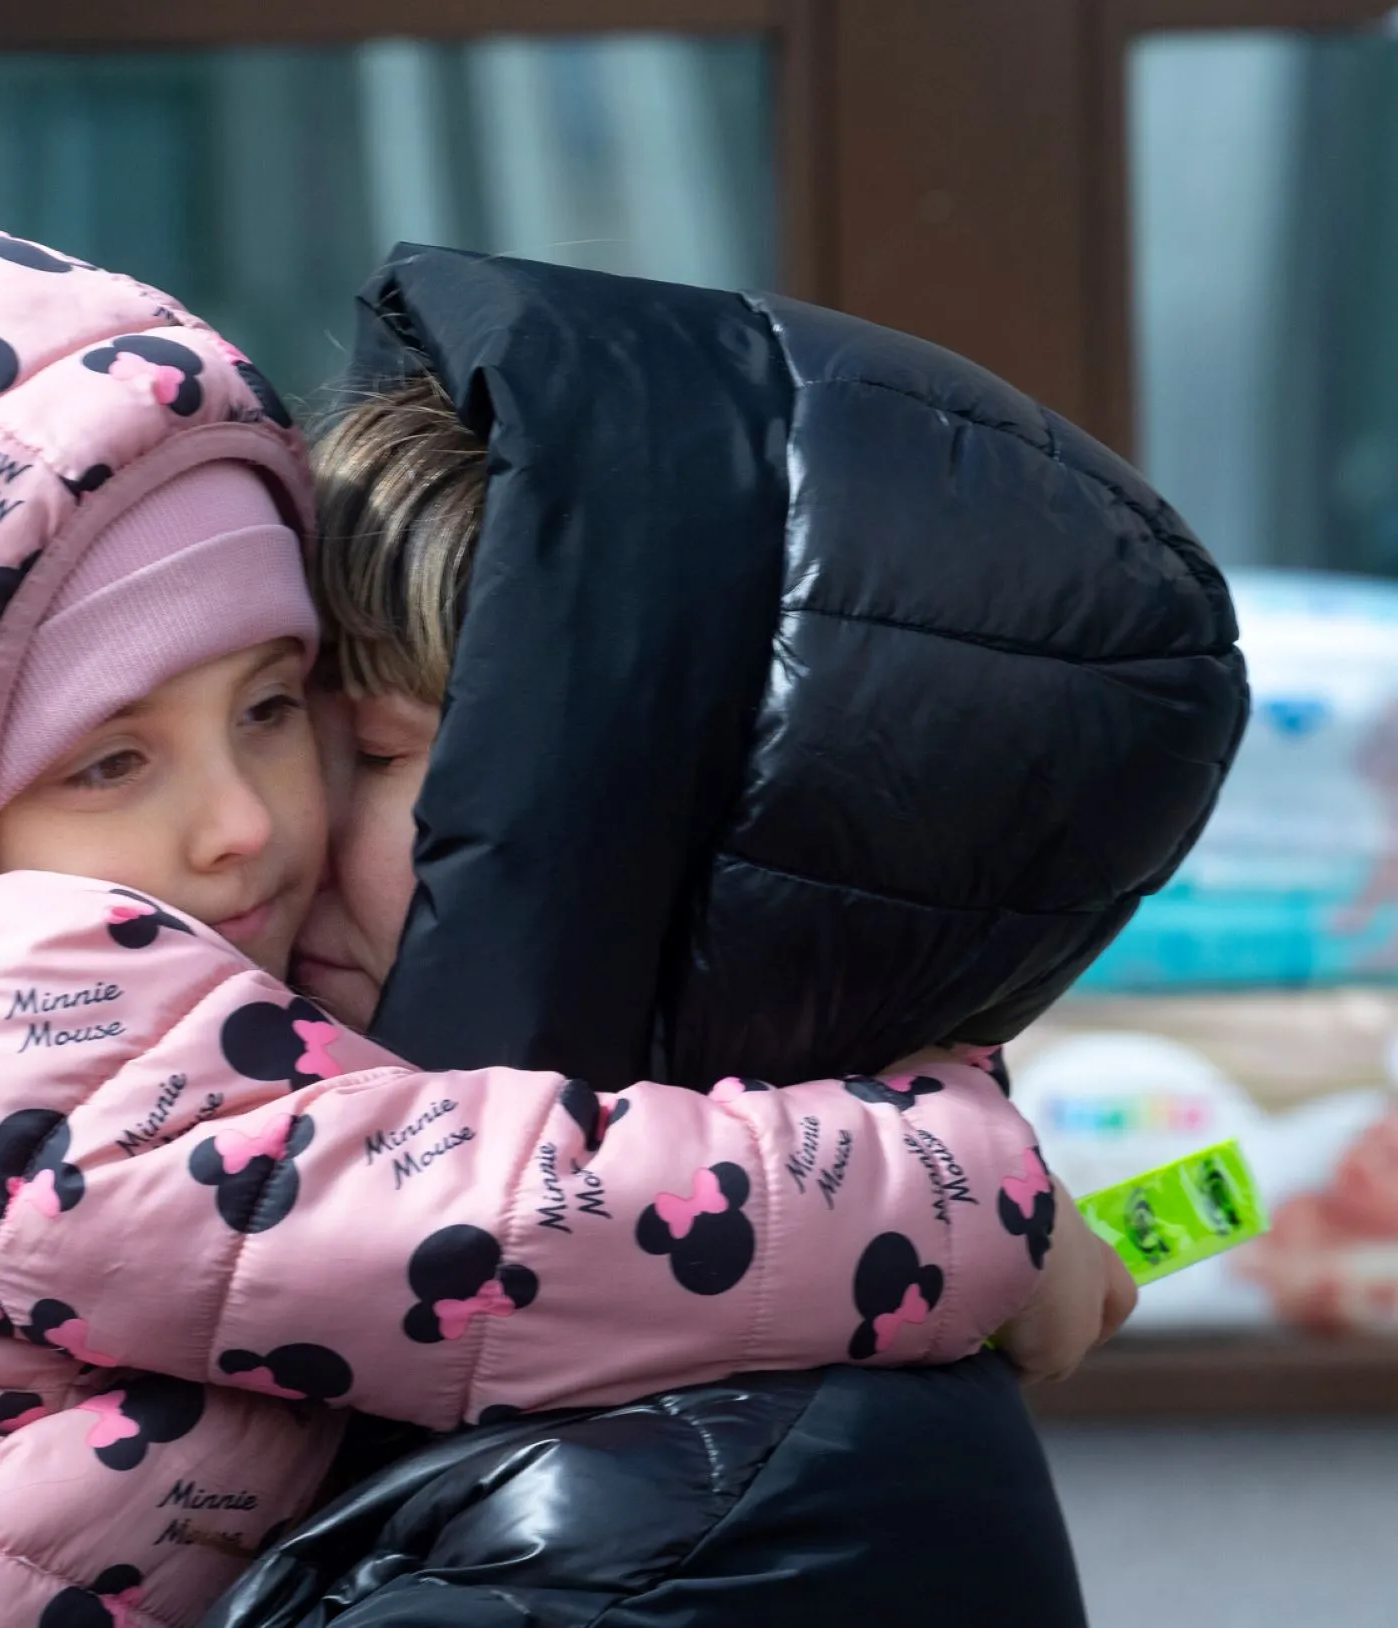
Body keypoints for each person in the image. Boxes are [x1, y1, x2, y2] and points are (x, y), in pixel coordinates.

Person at [0, 217, 1090, 1628]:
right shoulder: (30, 1000)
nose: (245, 823)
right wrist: (958, 1196)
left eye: (275, 706)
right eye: (115, 759)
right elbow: (496, 1229)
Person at [204, 245, 1248, 1628]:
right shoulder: (539, 1313)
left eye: (388, 754)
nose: (261, 822)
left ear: (648, 835)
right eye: (279, 725)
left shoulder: (676, 1520)